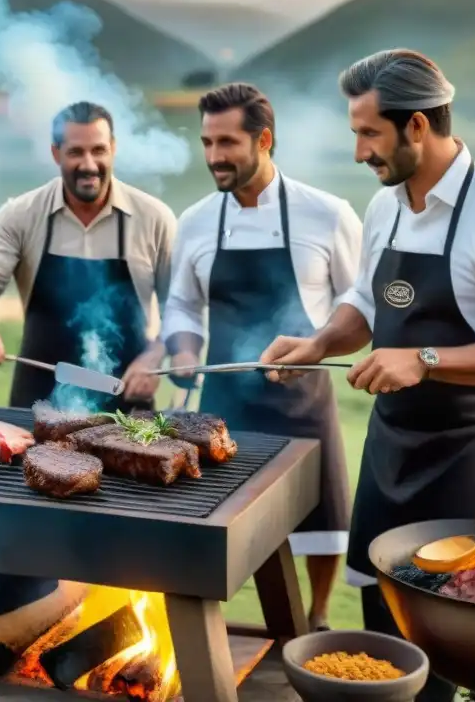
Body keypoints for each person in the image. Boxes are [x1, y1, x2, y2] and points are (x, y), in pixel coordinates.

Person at [261, 50, 475, 701]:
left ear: (417, 126)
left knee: (453, 639)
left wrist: (422, 361)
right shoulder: (388, 207)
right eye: (355, 133)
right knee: (380, 626)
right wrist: (317, 343)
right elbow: (368, 304)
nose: (360, 150)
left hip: (469, 452)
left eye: (369, 132)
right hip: (392, 446)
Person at [161, 83, 362, 631]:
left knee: (324, 514)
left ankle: (316, 620)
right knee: (215, 519)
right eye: (206, 142)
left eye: (226, 142)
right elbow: (181, 302)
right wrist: (182, 348)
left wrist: (324, 343)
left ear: (264, 139)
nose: (214, 157)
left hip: (304, 399)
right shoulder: (197, 221)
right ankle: (209, 626)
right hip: (223, 404)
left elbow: (358, 301)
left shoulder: (328, 215)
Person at [0, 101, 176, 412]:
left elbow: (181, 306)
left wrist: (154, 356)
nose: (89, 164)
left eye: (98, 150)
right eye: (75, 152)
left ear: (113, 148)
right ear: (56, 153)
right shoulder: (22, 214)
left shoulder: (154, 218)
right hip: (38, 402)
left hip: (127, 405)